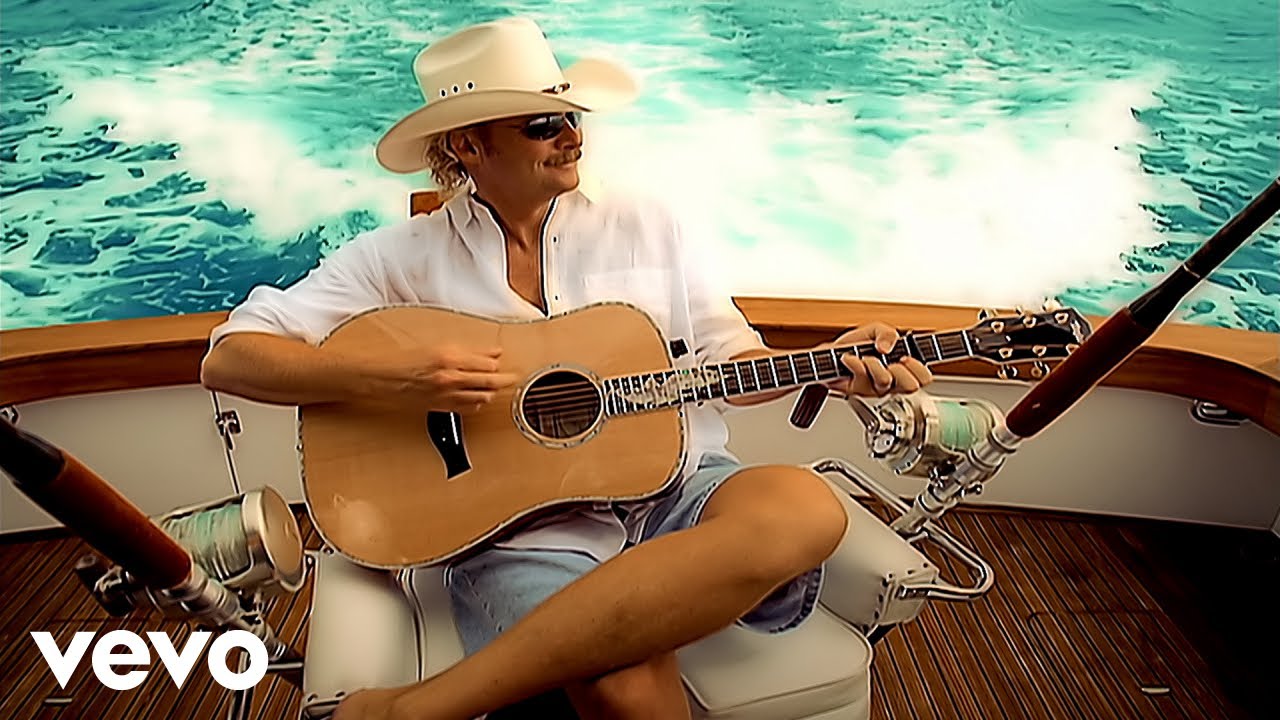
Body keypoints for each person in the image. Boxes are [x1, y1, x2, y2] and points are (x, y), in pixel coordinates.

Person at [200, 16, 933, 720]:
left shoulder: (649, 223)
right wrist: (395, 378)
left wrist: (822, 366)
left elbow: (727, 356)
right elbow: (230, 357)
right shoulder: (400, 259)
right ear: (469, 144)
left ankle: (421, 708)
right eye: (543, 124)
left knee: (808, 508)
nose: (573, 136)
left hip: (678, 489)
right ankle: (609, 626)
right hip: (517, 536)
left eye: (573, 117)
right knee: (625, 689)